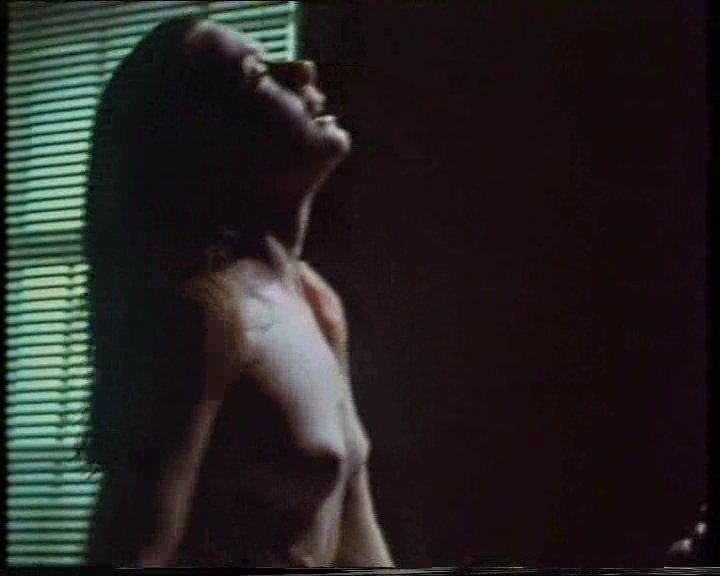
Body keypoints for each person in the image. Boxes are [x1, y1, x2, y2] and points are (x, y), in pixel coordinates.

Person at [82, 15, 393, 567]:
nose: (302, 69)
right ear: (207, 144)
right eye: (257, 74)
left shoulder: (316, 303)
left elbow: (355, 536)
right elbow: (132, 554)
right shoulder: (207, 317)